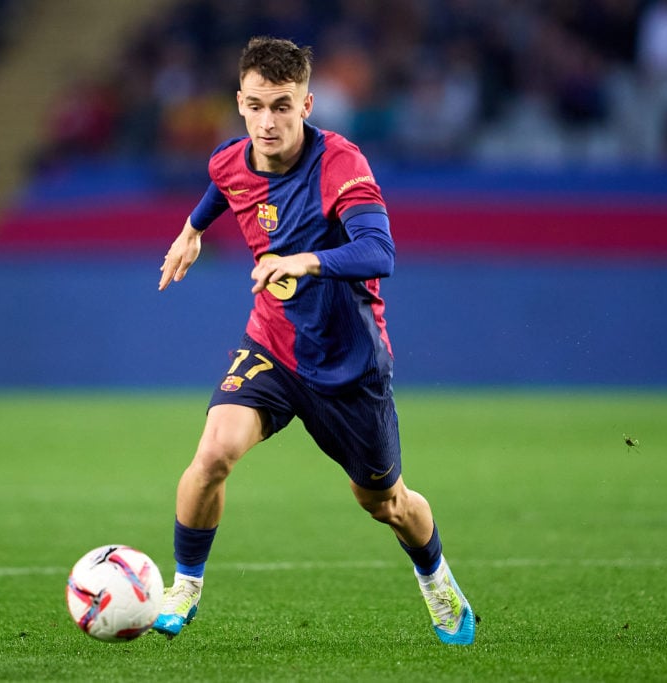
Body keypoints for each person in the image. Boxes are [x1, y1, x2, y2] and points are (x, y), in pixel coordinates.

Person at [155, 36, 475, 646]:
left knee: (385, 502)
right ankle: (184, 586)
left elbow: (380, 252)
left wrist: (306, 261)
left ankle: (436, 579)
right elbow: (225, 187)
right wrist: (191, 231)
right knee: (213, 454)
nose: (266, 122)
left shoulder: (341, 164)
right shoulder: (228, 160)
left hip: (349, 362)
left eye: (281, 106)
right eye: (254, 106)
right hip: (273, 343)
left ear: (306, 105)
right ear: (240, 104)